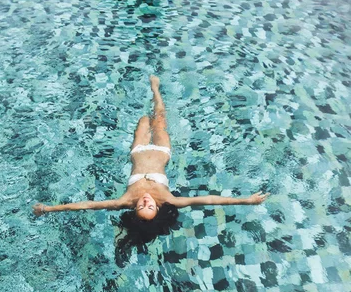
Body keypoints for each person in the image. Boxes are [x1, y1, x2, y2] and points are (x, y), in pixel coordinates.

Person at [33, 76, 269, 249]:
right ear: (157, 209)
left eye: (141, 206)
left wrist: (49, 209)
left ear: (134, 209)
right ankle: (156, 90)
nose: (145, 201)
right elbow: (208, 199)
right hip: (161, 151)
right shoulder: (169, 199)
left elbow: (86, 205)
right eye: (150, 206)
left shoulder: (124, 201)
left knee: (144, 120)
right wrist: (246, 200)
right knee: (159, 119)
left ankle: (147, 91)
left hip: (138, 151)